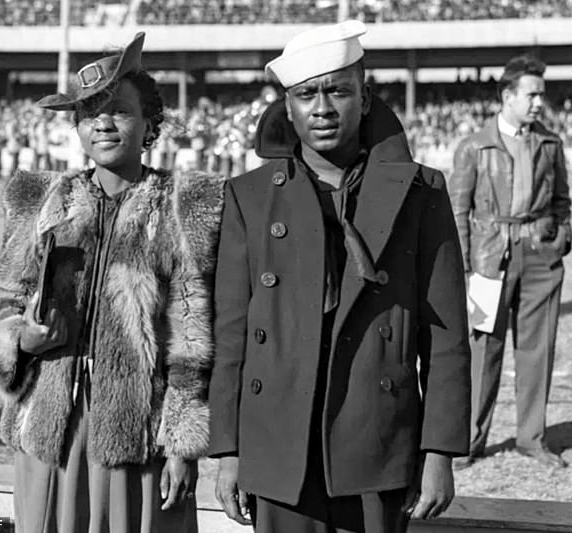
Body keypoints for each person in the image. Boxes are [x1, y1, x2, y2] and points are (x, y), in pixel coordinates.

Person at [208, 20, 471, 533]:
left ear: (365, 96)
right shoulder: (249, 196)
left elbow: (445, 337)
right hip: (279, 441)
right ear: (288, 107)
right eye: (306, 95)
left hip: (377, 439)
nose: (322, 108)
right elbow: (232, 334)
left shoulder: (423, 191)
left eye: (338, 91)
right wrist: (229, 452)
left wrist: (439, 451)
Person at [0, 32, 223, 533]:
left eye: (118, 110)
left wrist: (181, 442)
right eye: (89, 114)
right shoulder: (42, 202)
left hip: (138, 434)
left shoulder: (182, 207)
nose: (103, 123)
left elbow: (192, 337)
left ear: (150, 123)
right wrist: (19, 337)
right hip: (50, 432)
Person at [449, 55, 572, 470]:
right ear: (508, 96)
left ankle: (531, 439)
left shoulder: (551, 144)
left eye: (542, 93)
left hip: (541, 258)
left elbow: (562, 202)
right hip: (488, 259)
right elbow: (456, 212)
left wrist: (561, 238)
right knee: (483, 351)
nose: (540, 101)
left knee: (538, 351)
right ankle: (468, 441)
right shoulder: (473, 146)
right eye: (532, 93)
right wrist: (465, 270)